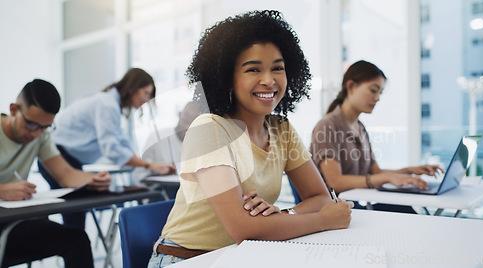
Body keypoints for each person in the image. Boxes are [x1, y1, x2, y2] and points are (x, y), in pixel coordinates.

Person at [148, 10, 353, 267]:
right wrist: (324, 220)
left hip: (241, 257)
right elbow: (243, 229)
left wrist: (283, 213)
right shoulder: (209, 129)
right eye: (253, 69)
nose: (269, 80)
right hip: (185, 259)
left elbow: (320, 197)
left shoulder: (282, 129)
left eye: (277, 68)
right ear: (227, 78)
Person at [38, 68, 176, 229]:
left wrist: (151, 164)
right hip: (56, 156)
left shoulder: (113, 105)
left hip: (70, 158)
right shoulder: (107, 104)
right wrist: (149, 165)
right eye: (145, 93)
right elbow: (111, 149)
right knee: (75, 214)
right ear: (132, 88)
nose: (147, 100)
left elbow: (122, 145)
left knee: (76, 212)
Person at [0, 79, 111, 267]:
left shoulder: (40, 136)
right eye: (31, 125)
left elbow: (66, 174)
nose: (36, 134)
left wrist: (95, 179)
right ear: (13, 110)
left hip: (11, 223)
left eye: (45, 127)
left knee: (77, 239)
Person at [309, 60, 442, 213]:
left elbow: (375, 172)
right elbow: (335, 181)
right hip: (334, 211)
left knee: (405, 210)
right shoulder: (327, 126)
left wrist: (411, 171)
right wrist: (387, 178)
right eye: (373, 90)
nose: (378, 98)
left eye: (380, 93)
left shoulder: (360, 127)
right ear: (351, 86)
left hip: (355, 206)